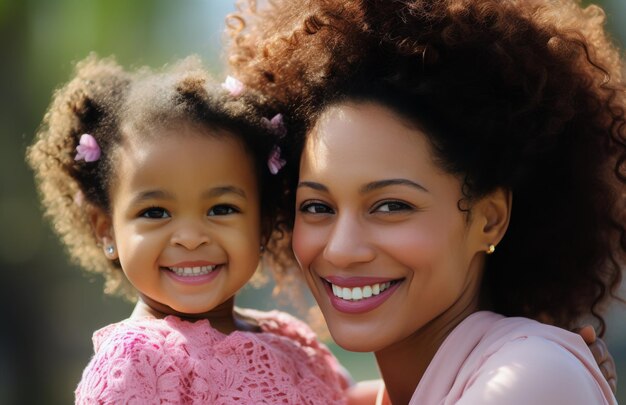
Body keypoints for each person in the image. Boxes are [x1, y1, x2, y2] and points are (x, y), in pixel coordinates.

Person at [226, 0, 624, 403]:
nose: (342, 250)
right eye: (317, 207)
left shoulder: (527, 376)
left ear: (489, 219)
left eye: (391, 206)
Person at [26, 54, 350, 404]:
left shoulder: (291, 340)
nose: (191, 237)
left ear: (264, 224)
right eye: (155, 212)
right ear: (106, 229)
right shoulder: (136, 363)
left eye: (221, 209)